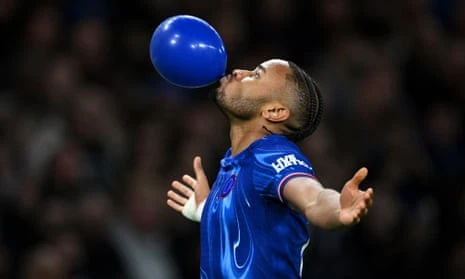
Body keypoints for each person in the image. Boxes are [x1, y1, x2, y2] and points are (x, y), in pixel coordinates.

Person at [166, 58, 374, 278]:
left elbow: (313, 197)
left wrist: (337, 208)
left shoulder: (272, 154)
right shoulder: (234, 163)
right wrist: (208, 209)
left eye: (255, 75)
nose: (238, 72)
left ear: (274, 111)